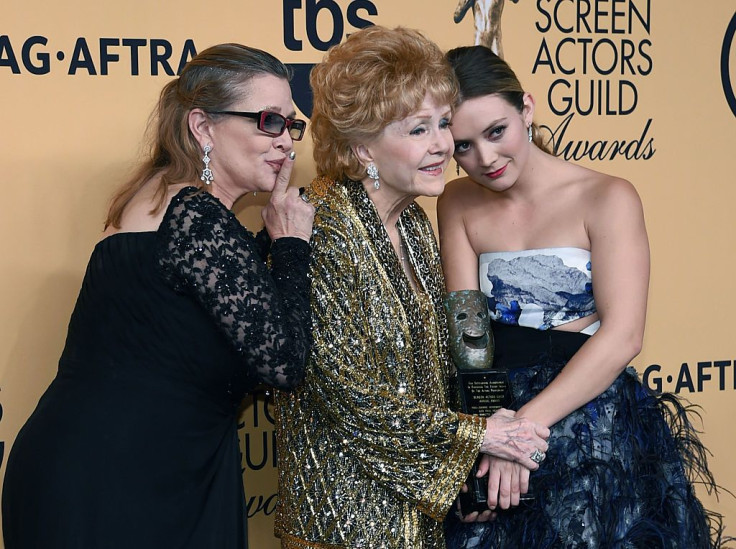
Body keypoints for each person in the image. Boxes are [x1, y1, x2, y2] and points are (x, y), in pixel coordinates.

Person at [2, 43, 314, 549]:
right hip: (130, 484)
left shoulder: (156, 199)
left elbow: (214, 328)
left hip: (85, 472)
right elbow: (284, 363)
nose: (286, 143)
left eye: (291, 125)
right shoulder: (196, 215)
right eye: (268, 121)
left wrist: (269, 243)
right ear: (202, 126)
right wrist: (293, 248)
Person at [439, 44, 727, 548]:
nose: (484, 159)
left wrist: (521, 432)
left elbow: (623, 336)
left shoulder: (607, 195)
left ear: (526, 109)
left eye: (496, 131)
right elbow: (469, 342)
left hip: (587, 414)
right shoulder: (456, 200)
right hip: (494, 412)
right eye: (462, 145)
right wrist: (489, 436)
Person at [273, 26, 549, 549]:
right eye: (419, 130)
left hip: (415, 522)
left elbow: (438, 368)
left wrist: (468, 478)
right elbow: (349, 395)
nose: (444, 144)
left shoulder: (416, 222)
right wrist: (481, 438)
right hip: (343, 524)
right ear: (362, 147)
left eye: (443, 124)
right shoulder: (321, 225)